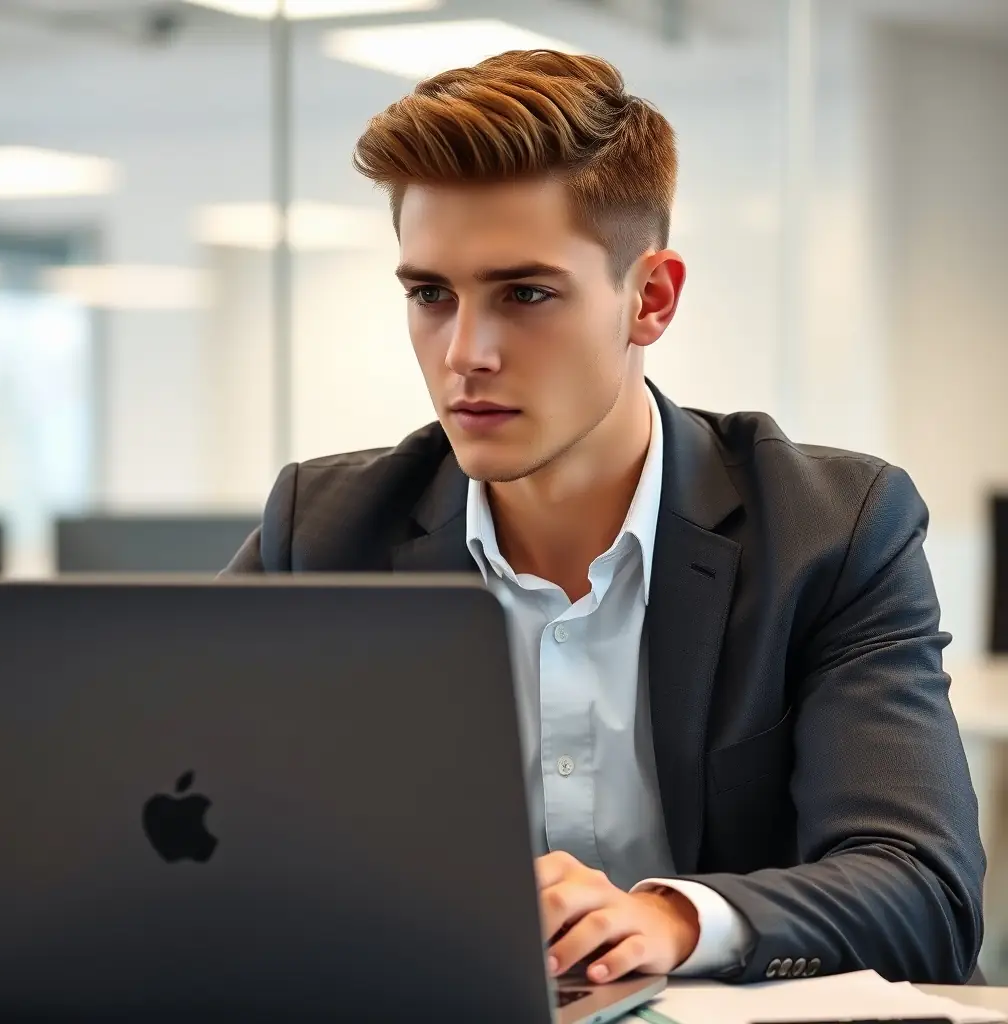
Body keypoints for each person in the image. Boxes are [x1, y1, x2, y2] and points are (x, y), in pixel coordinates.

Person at [225, 49, 984, 985]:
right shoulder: (326, 530)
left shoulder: (830, 530)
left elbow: (925, 893)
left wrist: (672, 918)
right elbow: (164, 813)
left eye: (526, 294)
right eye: (430, 295)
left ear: (650, 298)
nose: (465, 353)